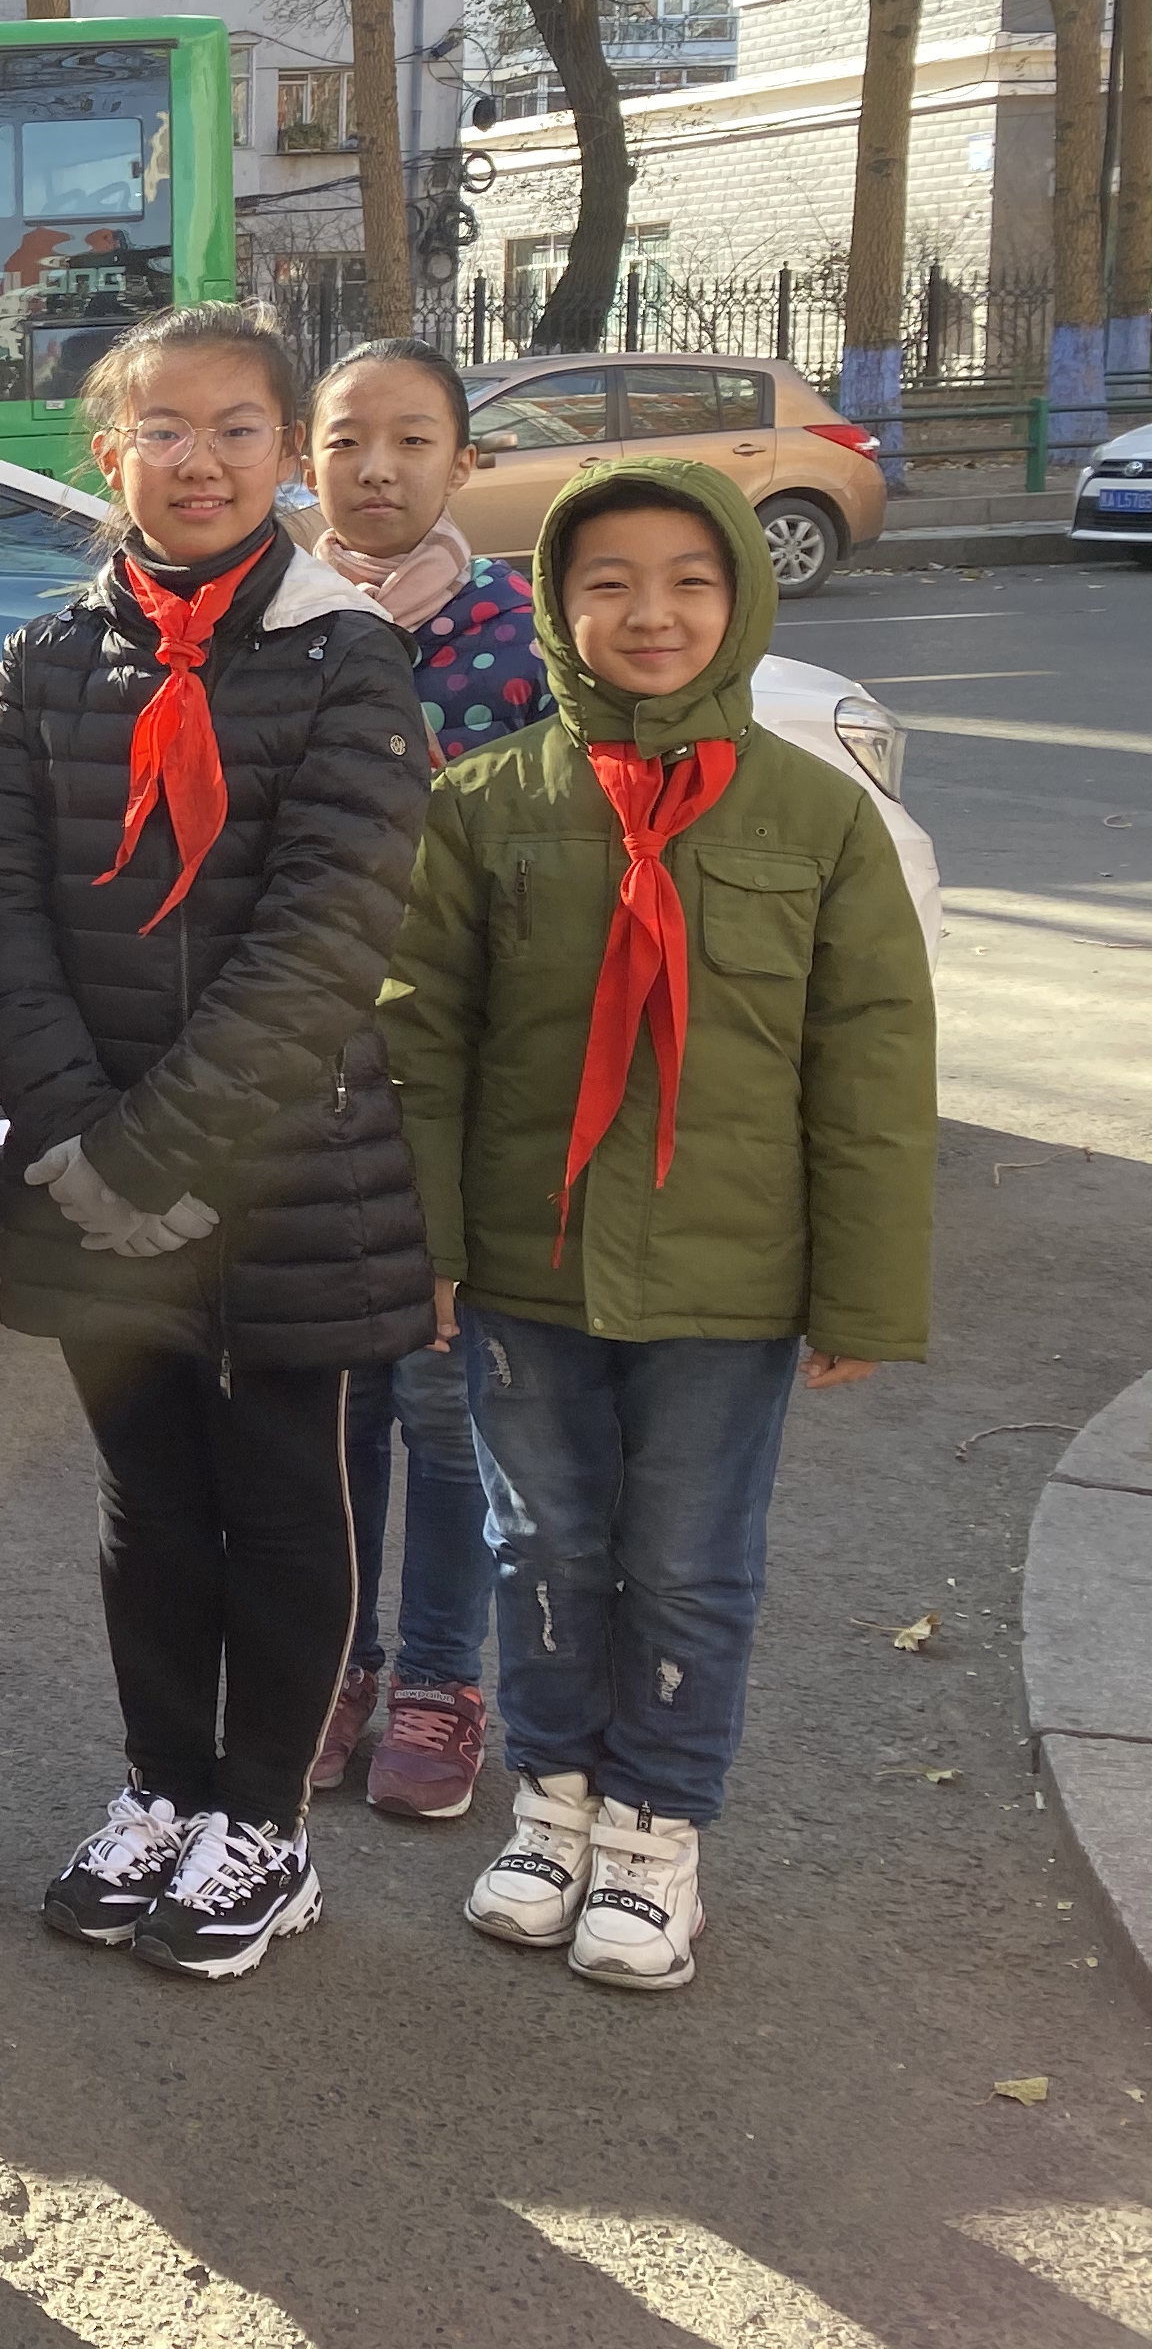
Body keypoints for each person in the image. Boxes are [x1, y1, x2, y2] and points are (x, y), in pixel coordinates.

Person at [382, 459, 933, 1991]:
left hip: (728, 1284)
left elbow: (874, 1069)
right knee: (543, 1545)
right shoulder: (486, 805)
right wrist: (431, 1250)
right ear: (555, 604)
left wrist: (863, 1294)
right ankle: (553, 1804)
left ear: (742, 601)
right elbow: (423, 1041)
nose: (651, 612)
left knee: (689, 1562)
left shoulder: (818, 817)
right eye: (609, 581)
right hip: (527, 1267)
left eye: (691, 581)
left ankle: (654, 1832)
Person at [0, 302, 434, 1982]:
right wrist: (78, 1135)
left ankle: (265, 1828)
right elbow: (0, 911)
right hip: (89, 1160)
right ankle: (164, 1787)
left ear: (284, 451)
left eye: (239, 428)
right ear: (110, 454)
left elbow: (328, 934)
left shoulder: (347, 657)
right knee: (148, 1502)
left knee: (284, 1501)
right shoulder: (46, 661)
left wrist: (160, 1155)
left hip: (281, 1173)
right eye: (165, 428)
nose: (202, 460)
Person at [300, 339, 541, 1820]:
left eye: (411, 440)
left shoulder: (521, 641)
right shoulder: (276, 623)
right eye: (347, 440)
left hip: (457, 1093)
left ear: (463, 459)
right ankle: (336, 1665)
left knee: (447, 1412)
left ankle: (445, 1680)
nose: (377, 469)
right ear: (307, 460)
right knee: (330, 1414)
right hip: (304, 1092)